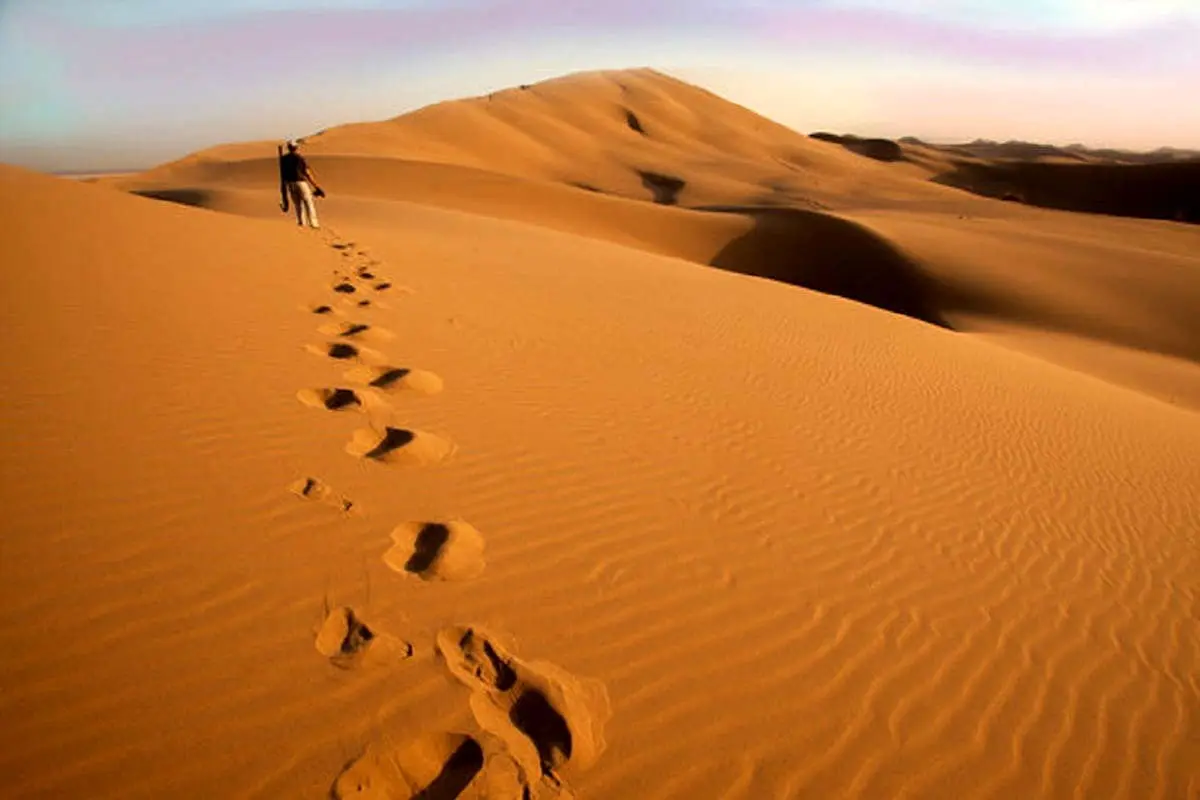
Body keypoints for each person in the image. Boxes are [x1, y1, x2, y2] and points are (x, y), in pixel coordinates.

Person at [278, 140, 324, 229]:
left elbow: (282, 173)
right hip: (300, 182)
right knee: (308, 201)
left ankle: (301, 222)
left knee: (297, 204)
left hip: (290, 184)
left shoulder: (283, 159)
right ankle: (313, 223)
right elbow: (307, 173)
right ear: (296, 148)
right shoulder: (300, 158)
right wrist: (316, 186)